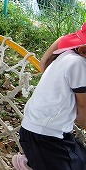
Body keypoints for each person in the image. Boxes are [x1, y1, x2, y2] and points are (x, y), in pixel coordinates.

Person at [12, 23, 86, 170]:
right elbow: (83, 110)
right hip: (46, 136)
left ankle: (33, 160)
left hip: (38, 129)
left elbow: (43, 63)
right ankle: (34, 162)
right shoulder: (79, 65)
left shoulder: (66, 54)